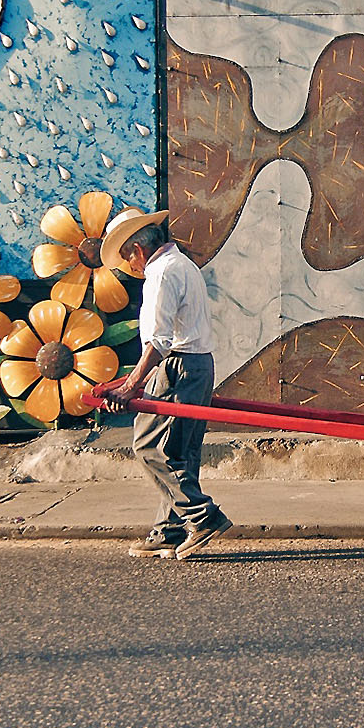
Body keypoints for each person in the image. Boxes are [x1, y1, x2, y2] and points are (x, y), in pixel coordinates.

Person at [99, 207, 232, 560]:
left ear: (138, 249)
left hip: (178, 367)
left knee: (150, 447)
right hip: (198, 365)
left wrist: (130, 386)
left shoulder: (160, 273)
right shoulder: (183, 264)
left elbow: (158, 342)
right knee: (181, 453)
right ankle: (168, 529)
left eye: (127, 257)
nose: (129, 266)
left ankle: (202, 516)